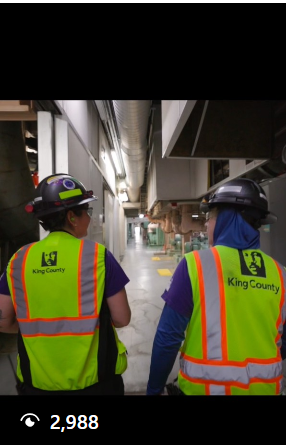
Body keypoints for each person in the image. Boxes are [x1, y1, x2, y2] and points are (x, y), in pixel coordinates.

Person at [146, 178, 286, 395]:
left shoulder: (194, 266)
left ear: (227, 219)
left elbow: (168, 337)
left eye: (210, 217)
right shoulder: (281, 274)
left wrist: (154, 388)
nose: (206, 224)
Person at [0, 173, 131, 395]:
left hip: (37, 385)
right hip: (96, 384)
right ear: (71, 216)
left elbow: (3, 322)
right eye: (86, 212)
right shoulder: (98, 257)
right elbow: (122, 318)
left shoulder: (18, 260)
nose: (89, 218)